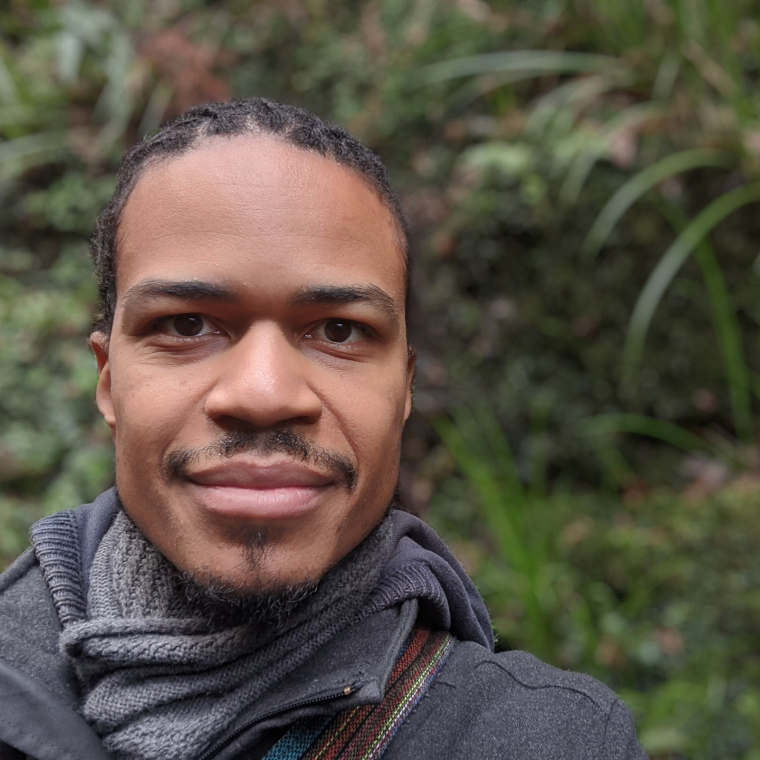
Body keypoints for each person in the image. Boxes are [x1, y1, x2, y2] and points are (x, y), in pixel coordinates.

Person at [0, 98, 648, 760]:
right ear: (108, 381)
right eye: (187, 325)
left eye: (339, 331)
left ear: (405, 387)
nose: (262, 395)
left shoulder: (554, 742)